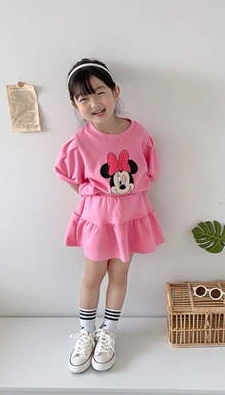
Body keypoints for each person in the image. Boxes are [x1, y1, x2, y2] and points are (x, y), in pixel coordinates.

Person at [55, 59, 164, 373]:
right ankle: (86, 333)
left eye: (99, 92)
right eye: (83, 98)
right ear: (75, 105)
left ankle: (109, 332)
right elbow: (67, 175)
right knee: (92, 275)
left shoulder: (139, 134)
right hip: (99, 220)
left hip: (131, 216)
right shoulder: (80, 142)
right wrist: (94, 197)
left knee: (119, 274)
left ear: (115, 91)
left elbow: (150, 171)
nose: (94, 103)